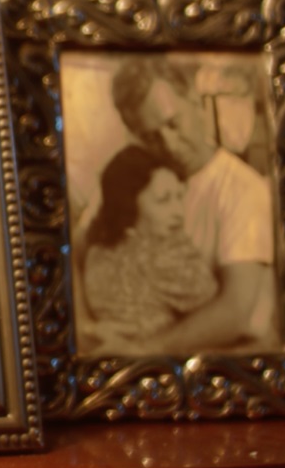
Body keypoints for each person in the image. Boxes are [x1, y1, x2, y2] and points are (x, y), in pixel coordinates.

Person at [108, 57, 277, 354]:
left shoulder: (243, 190)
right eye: (151, 137)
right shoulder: (142, 177)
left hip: (227, 357)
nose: (169, 144)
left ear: (195, 101)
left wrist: (142, 350)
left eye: (173, 123)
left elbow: (235, 312)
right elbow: (81, 246)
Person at [79, 145, 216, 356]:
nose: (179, 212)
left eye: (179, 197)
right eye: (163, 200)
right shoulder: (168, 254)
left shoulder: (96, 252)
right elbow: (225, 315)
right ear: (129, 206)